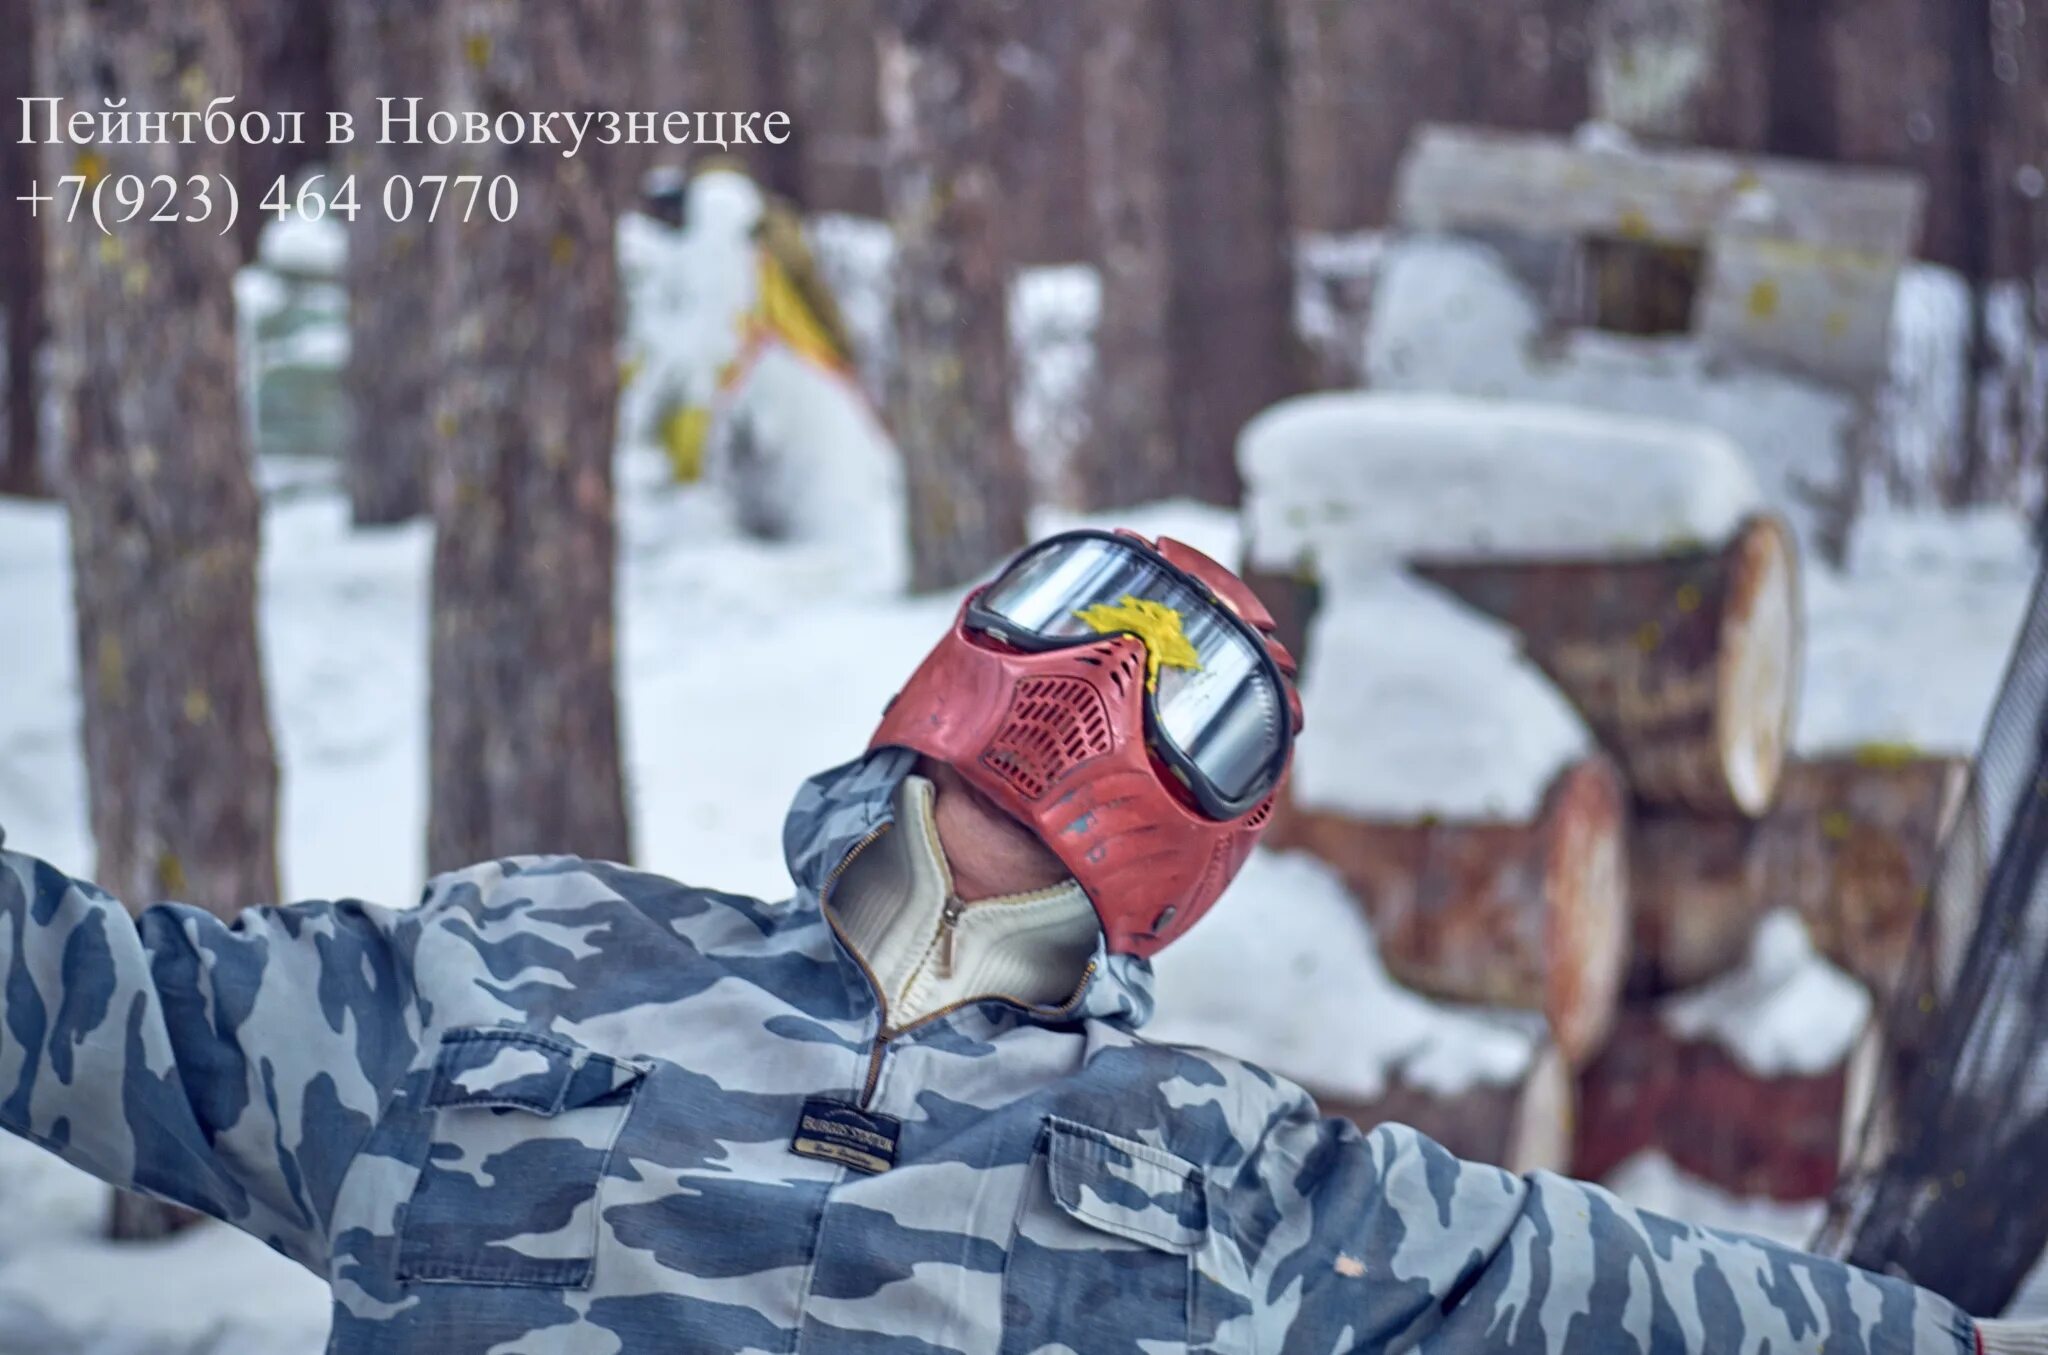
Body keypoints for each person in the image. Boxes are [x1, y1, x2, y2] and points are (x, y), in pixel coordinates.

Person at [0, 527, 2031, 1354]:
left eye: (1187, 687)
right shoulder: (514, 961)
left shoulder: (1247, 1171)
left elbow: (1661, 1306)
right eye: (1079, 613)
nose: (1097, 698)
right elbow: (71, 994)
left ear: (1214, 841)